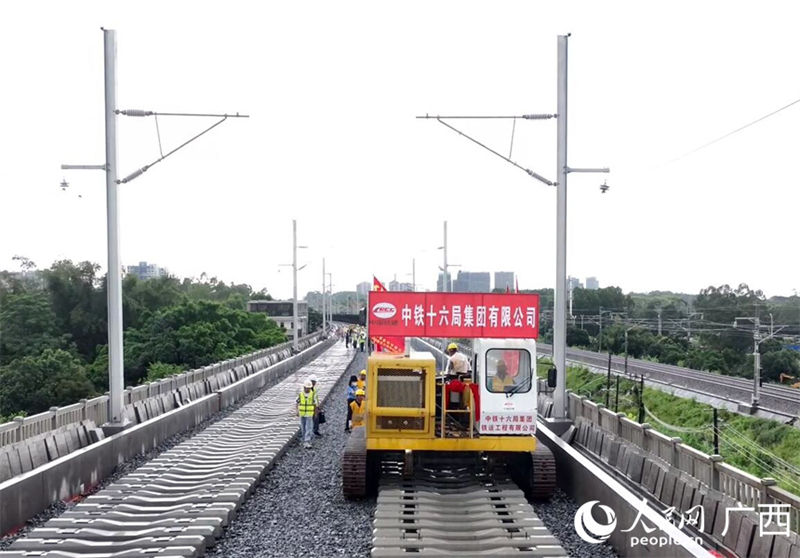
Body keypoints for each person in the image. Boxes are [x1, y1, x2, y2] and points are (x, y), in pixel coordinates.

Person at [296, 380, 317, 449]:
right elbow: (297, 402)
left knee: (308, 427)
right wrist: (297, 411)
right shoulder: (301, 394)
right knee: (303, 427)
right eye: (306, 387)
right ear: (304, 387)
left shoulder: (312, 394)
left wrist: (315, 413)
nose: (307, 389)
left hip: (309, 413)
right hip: (302, 413)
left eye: (309, 388)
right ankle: (304, 439)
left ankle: (307, 441)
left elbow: (314, 404)